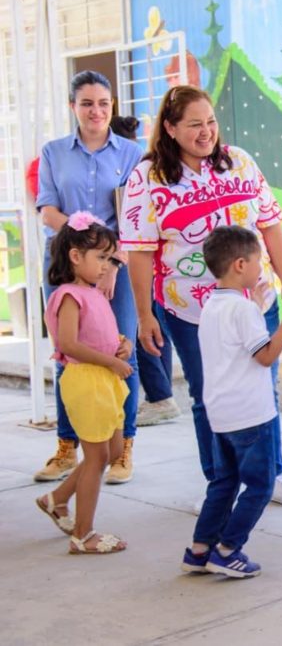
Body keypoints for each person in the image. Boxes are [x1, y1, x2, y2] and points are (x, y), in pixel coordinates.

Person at [120, 85, 282, 509]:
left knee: (265, 387)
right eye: (194, 125)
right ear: (170, 129)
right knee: (208, 394)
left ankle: (274, 473)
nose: (206, 132)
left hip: (255, 302)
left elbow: (272, 226)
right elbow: (138, 251)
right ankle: (220, 484)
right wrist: (142, 316)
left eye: (211, 122)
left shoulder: (239, 162)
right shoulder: (147, 178)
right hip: (191, 311)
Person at [180, 227, 282, 578]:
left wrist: (254, 307)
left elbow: (235, 344)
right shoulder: (242, 311)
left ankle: (199, 550)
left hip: (221, 414)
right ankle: (228, 549)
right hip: (252, 415)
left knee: (223, 483)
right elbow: (265, 356)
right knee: (260, 485)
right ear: (240, 264)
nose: (262, 266)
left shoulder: (212, 305)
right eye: (259, 260)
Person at [34, 70, 142, 485]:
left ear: (111, 105)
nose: (96, 111)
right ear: (72, 107)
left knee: (121, 352)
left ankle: (122, 449)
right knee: (69, 356)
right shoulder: (53, 152)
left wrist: (110, 262)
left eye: (103, 103)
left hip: (116, 269)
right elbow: (48, 210)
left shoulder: (131, 154)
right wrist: (86, 254)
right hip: (65, 265)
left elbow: (134, 217)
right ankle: (66, 446)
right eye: (87, 103)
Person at [34, 213, 131, 554]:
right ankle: (83, 534)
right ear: (76, 257)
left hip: (105, 379)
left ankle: (57, 498)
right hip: (87, 381)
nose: (107, 265)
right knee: (95, 458)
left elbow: (101, 334)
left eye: (109, 258)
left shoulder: (92, 293)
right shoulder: (68, 296)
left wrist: (122, 344)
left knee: (114, 451)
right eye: (101, 257)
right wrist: (112, 361)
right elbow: (69, 344)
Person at [110, 114, 182, 427]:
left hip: (136, 257)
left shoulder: (133, 168)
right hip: (153, 258)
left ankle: (160, 396)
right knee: (154, 326)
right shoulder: (145, 162)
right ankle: (161, 395)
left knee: (142, 328)